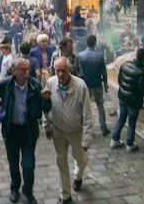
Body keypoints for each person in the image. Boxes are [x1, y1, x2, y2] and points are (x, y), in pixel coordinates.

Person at [0, 58, 52, 204]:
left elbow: (45, 108)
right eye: (23, 70)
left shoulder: (35, 84)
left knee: (28, 165)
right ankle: (14, 188)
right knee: (13, 164)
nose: (26, 73)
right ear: (15, 71)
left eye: (28, 69)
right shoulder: (6, 84)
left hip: (28, 131)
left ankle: (28, 190)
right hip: (11, 131)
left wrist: (46, 100)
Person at [43, 57, 92, 204]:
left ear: (69, 69)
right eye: (57, 70)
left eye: (63, 70)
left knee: (81, 159)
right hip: (58, 130)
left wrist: (87, 138)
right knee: (61, 162)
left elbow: (88, 114)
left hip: (76, 131)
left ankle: (78, 175)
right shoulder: (51, 83)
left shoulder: (80, 86)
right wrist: (47, 125)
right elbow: (46, 106)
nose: (60, 74)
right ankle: (65, 195)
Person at [110, 49, 144, 152]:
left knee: (121, 118)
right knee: (131, 122)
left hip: (122, 96)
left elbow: (120, 79)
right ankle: (130, 144)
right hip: (133, 100)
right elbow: (142, 89)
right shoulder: (142, 71)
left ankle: (114, 140)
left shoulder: (125, 64)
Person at [78, 35, 110, 136]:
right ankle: (103, 128)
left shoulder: (80, 55)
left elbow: (79, 71)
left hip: (85, 84)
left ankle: (86, 130)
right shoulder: (99, 55)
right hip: (97, 84)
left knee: (84, 107)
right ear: (95, 43)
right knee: (100, 105)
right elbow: (103, 71)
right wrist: (105, 83)